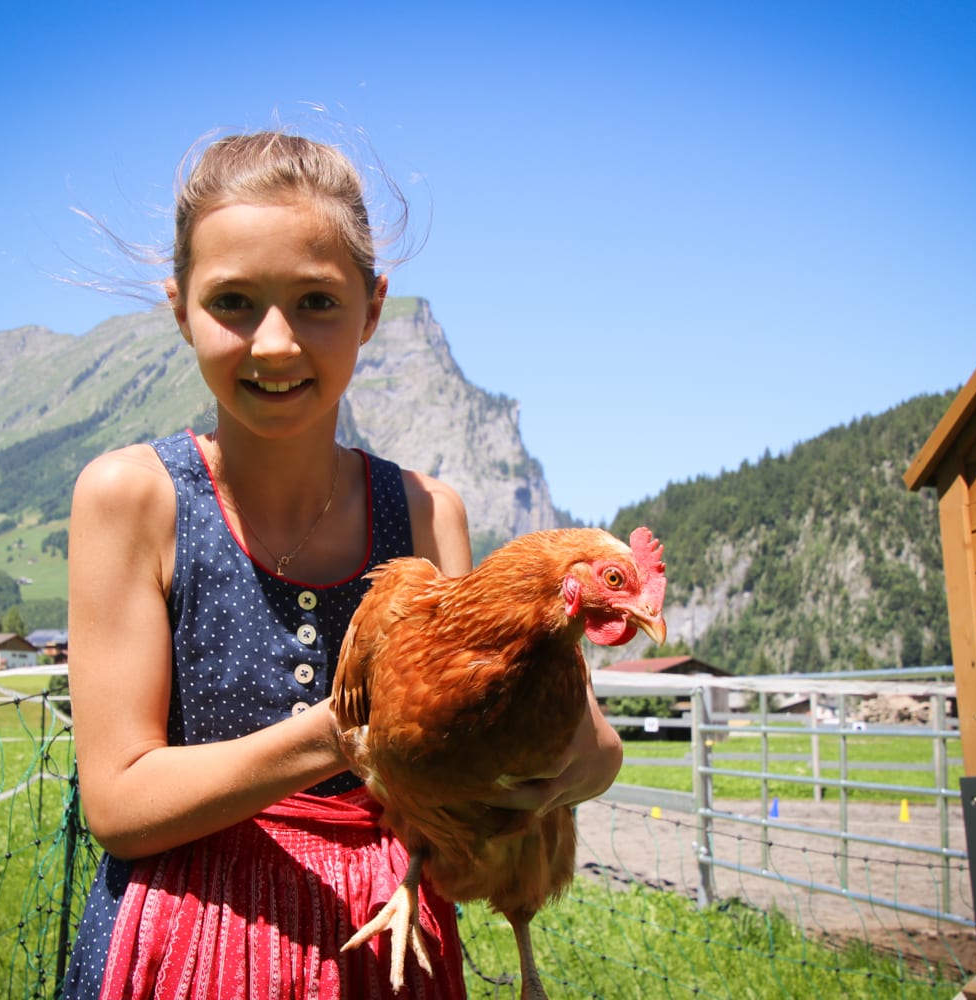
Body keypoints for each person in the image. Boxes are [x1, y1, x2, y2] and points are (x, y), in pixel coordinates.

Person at [58, 130, 624, 999]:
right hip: (192, 941)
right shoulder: (135, 498)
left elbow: (577, 738)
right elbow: (119, 805)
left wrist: (584, 762)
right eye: (233, 302)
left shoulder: (426, 513)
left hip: (386, 942)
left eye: (317, 301)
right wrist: (351, 732)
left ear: (371, 308)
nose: (275, 344)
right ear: (180, 309)